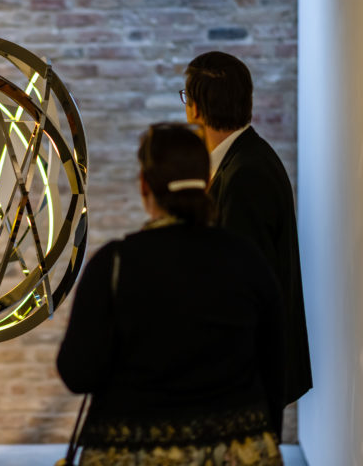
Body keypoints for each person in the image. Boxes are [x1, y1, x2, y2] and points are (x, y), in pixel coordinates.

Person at [57, 124, 284, 465]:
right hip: (235, 453)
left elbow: (77, 374)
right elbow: (275, 368)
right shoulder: (248, 260)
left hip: (132, 454)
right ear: (206, 182)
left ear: (144, 186)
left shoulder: (113, 265)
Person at [183, 51, 312, 407]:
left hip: (247, 377)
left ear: (195, 108)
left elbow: (240, 287)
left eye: (185, 97)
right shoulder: (243, 159)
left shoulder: (245, 174)